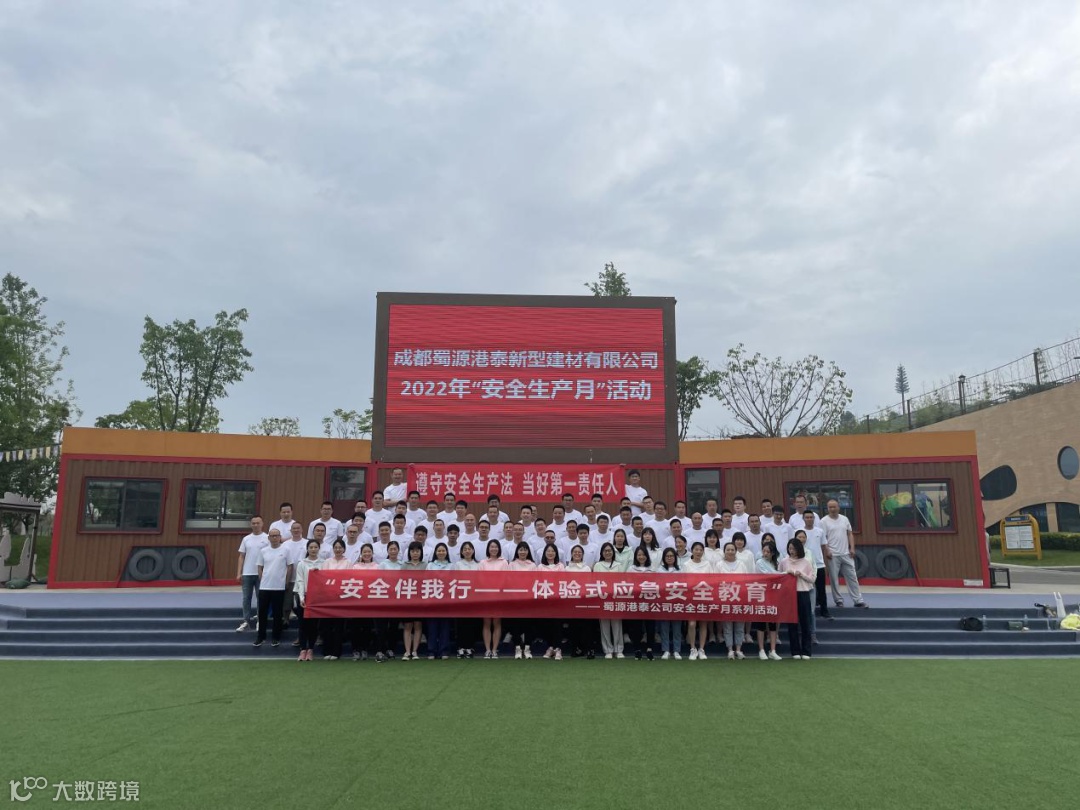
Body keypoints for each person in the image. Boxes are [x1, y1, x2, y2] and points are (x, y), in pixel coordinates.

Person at [820, 499, 868, 609]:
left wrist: (852, 548)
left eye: (834, 507)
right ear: (827, 509)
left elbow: (850, 534)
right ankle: (838, 600)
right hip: (833, 555)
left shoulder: (844, 519)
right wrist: (827, 550)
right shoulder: (823, 521)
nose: (832, 509)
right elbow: (823, 538)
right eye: (830, 507)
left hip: (846, 553)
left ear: (838, 507)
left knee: (852, 577)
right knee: (834, 579)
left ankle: (858, 600)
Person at [254, 527, 292, 649]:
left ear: (280, 537)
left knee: (277, 614)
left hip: (279, 587)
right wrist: (262, 580)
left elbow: (290, 567)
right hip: (265, 587)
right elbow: (259, 567)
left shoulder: (286, 550)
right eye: (272, 536)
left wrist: (286, 582)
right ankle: (261, 637)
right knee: (262, 613)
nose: (274, 538)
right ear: (269, 538)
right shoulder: (263, 551)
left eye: (277, 536)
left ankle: (276, 637)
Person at [779, 537, 816, 659]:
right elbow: (779, 575)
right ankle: (795, 651)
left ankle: (806, 651)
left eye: (794, 549)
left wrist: (801, 574)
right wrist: (787, 573)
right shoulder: (784, 561)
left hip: (803, 592)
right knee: (792, 623)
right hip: (789, 594)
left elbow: (812, 579)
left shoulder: (806, 562)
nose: (792, 551)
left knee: (805, 622)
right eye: (790, 548)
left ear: (799, 549)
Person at [293, 539, 323, 661]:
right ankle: (302, 649)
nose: (313, 549)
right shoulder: (302, 563)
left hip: (316, 597)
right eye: (311, 547)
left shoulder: (323, 563)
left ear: (319, 549)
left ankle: (310, 649)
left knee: (313, 625)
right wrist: (301, 597)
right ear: (307, 549)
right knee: (302, 624)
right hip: (303, 596)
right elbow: (300, 581)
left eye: (315, 547)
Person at [236, 516, 268, 632]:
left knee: (261, 598)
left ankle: (260, 620)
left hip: (261, 573)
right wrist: (239, 573)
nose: (255, 525)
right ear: (251, 524)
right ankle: (246, 621)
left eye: (258, 523)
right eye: (253, 523)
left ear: (262, 524)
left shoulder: (267, 538)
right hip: (247, 573)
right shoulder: (246, 539)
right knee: (246, 598)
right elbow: (241, 556)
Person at [682, 541, 713, 660]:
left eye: (700, 550)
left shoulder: (707, 564)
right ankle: (692, 648)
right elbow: (683, 581)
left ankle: (701, 649)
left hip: (704, 596)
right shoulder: (686, 564)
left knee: (703, 623)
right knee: (692, 623)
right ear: (692, 551)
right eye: (696, 549)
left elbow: (712, 580)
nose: (698, 552)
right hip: (691, 597)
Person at [715, 542, 746, 659]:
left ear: (736, 551)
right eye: (728, 549)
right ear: (724, 551)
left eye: (732, 550)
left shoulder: (741, 564)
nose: (730, 552)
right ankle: (730, 649)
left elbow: (747, 580)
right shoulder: (719, 565)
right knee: (727, 625)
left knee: (739, 625)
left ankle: (738, 649)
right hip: (725, 598)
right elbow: (715, 581)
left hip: (739, 598)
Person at [593, 542, 624, 659]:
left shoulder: (618, 565)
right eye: (605, 551)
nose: (607, 553)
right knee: (604, 625)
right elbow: (595, 582)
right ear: (602, 553)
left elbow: (622, 582)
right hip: (602, 598)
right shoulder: (598, 565)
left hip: (616, 598)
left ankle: (618, 649)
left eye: (609, 550)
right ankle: (608, 650)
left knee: (617, 625)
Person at [479, 540, 509, 659]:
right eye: (491, 547)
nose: (494, 549)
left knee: (497, 622)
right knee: (486, 622)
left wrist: (497, 590)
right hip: (485, 596)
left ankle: (495, 650)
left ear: (499, 549)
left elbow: (506, 578)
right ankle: (487, 650)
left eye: (496, 547)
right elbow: (480, 579)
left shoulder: (504, 562)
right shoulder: (483, 562)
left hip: (499, 596)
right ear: (488, 548)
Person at [564, 544, 595, 658]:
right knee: (574, 626)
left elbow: (588, 583)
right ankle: (576, 649)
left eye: (579, 552)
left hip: (584, 600)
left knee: (586, 626)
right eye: (575, 552)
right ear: (571, 554)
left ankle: (589, 649)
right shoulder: (567, 568)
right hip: (571, 601)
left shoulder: (586, 568)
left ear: (582, 555)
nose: (577, 554)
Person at [754, 540, 784, 661]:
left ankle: (772, 650)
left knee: (773, 623)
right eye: (764, 551)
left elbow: (779, 575)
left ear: (772, 553)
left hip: (774, 595)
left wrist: (782, 574)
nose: (765, 553)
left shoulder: (776, 563)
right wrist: (782, 574)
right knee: (761, 623)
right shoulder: (759, 562)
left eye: (768, 552)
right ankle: (761, 650)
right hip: (762, 594)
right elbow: (769, 575)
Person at [508, 542, 537, 659]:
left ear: (528, 552)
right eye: (520, 550)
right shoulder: (512, 564)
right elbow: (509, 580)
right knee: (516, 624)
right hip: (515, 599)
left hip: (528, 599)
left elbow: (535, 581)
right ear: (517, 551)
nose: (523, 552)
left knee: (528, 625)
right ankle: (518, 648)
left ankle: (528, 648)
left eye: (525, 550)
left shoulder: (533, 565)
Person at [375, 541, 402, 661]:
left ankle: (391, 648)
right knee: (382, 626)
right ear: (388, 551)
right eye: (391, 549)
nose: (393, 551)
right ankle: (380, 650)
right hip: (384, 599)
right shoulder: (383, 564)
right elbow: (378, 580)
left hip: (397, 599)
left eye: (395, 549)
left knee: (393, 626)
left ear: (398, 550)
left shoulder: (402, 564)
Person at [425, 543, 453, 660]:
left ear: (446, 552)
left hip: (446, 599)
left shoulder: (451, 566)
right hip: (433, 598)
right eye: (439, 551)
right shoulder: (430, 565)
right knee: (432, 626)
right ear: (435, 553)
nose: (441, 553)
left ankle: (444, 650)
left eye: (443, 551)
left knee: (445, 626)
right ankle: (431, 650)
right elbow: (426, 580)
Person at [627, 547, 656, 660]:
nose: (641, 557)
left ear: (647, 556)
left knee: (650, 627)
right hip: (636, 601)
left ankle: (650, 649)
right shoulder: (631, 569)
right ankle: (637, 649)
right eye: (639, 555)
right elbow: (628, 583)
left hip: (650, 601)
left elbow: (657, 583)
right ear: (635, 556)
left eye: (643, 555)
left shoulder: (652, 568)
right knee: (636, 627)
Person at [400, 542, 427, 660]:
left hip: (420, 599)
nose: (415, 553)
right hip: (407, 599)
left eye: (417, 551)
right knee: (407, 625)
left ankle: (415, 651)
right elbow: (400, 581)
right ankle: (407, 651)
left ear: (421, 552)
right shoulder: (404, 565)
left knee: (418, 624)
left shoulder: (425, 565)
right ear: (409, 553)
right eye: (412, 551)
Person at [538, 544, 565, 659]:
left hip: (557, 599)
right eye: (548, 551)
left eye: (552, 551)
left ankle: (558, 649)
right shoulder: (540, 567)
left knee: (557, 624)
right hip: (545, 599)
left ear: (556, 553)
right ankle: (550, 647)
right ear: (544, 553)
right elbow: (538, 581)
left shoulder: (560, 566)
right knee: (546, 624)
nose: (550, 553)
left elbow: (563, 581)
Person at [453, 541, 480, 658]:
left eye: (469, 549)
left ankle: (469, 647)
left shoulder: (478, 565)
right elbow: (454, 580)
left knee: (471, 623)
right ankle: (460, 647)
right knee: (461, 623)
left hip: (474, 598)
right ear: (462, 552)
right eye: (465, 549)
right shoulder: (458, 564)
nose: (467, 551)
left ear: (473, 551)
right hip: (461, 597)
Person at [656, 548, 682, 660]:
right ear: (664, 558)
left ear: (675, 558)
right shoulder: (659, 570)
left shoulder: (680, 570)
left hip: (677, 601)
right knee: (664, 627)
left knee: (677, 628)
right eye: (667, 556)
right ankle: (666, 650)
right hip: (664, 601)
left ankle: (676, 650)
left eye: (671, 556)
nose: (669, 558)